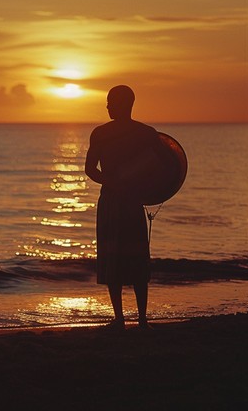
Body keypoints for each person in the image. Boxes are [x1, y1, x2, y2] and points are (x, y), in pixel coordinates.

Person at [85, 85, 161, 330]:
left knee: (115, 256)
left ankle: (122, 319)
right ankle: (139, 319)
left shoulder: (101, 134)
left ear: (123, 104)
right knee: (134, 255)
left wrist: (111, 181)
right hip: (132, 200)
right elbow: (162, 166)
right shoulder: (147, 133)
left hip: (112, 200)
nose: (107, 106)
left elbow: (90, 169)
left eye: (110, 102)